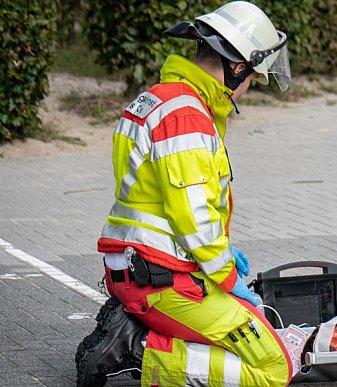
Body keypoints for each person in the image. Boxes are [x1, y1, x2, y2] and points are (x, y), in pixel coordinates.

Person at [74, 2, 292, 386]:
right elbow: (194, 218)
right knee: (275, 366)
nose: (250, 86)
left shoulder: (162, 98)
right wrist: (226, 276)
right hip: (161, 279)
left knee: (249, 336)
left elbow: (162, 202)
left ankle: (134, 327)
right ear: (237, 66)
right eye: (253, 76)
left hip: (147, 267)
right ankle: (138, 346)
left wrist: (217, 254)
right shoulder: (186, 116)